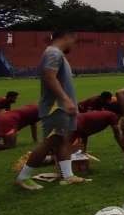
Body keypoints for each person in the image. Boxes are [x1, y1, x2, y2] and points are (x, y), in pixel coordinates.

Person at [14, 30, 88, 190]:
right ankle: (23, 176)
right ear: (67, 37)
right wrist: (65, 99)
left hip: (61, 108)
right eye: (73, 41)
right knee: (51, 141)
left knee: (63, 140)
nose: (73, 45)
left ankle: (68, 176)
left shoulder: (56, 53)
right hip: (56, 108)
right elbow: (49, 76)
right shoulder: (53, 53)